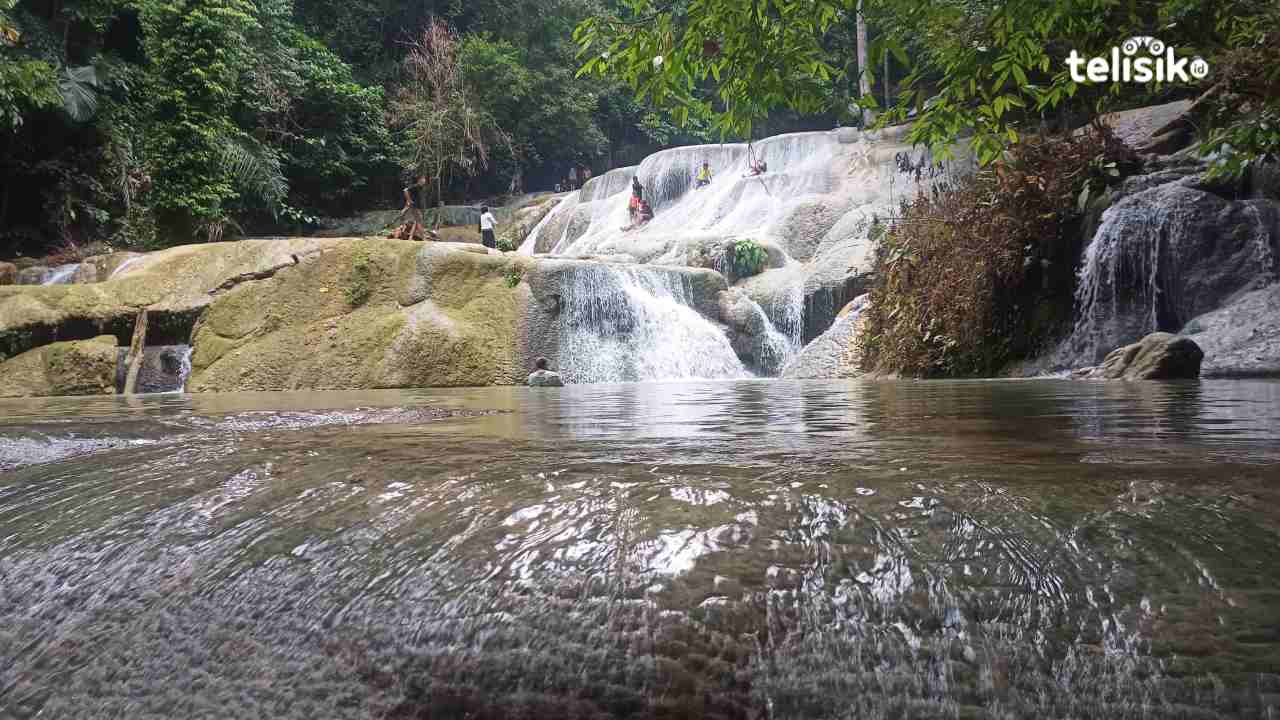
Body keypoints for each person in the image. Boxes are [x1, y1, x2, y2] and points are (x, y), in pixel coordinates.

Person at [400, 175, 429, 240]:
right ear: (419, 180)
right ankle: (423, 238)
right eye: (423, 179)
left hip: (419, 207)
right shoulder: (416, 186)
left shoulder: (422, 187)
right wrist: (409, 200)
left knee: (417, 222)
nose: (424, 180)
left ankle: (413, 237)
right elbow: (405, 190)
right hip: (415, 207)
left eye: (424, 179)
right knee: (419, 221)